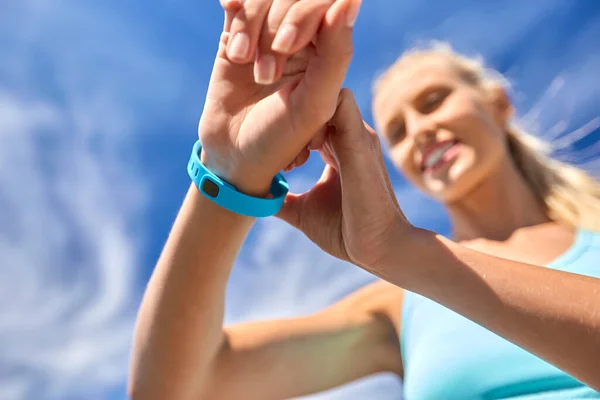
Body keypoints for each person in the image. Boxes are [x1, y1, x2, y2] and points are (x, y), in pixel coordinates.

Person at [128, 0, 600, 399]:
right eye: (397, 130)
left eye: (433, 101)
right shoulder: (402, 301)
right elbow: (175, 387)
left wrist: (401, 249)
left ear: (497, 104)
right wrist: (227, 173)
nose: (419, 131)